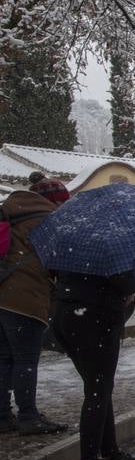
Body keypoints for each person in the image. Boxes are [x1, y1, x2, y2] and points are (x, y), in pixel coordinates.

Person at [49, 269, 135, 460]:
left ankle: (109, 452)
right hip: (95, 316)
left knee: (99, 388)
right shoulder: (109, 244)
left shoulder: (73, 244)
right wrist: (133, 282)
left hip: (67, 313)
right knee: (97, 391)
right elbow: (127, 282)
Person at [0, 178, 70, 435]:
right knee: (25, 360)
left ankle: (3, 416)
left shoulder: (11, 211)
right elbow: (57, 264)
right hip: (25, 299)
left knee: (4, 359)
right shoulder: (47, 221)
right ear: (55, 201)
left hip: (2, 295)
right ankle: (29, 415)